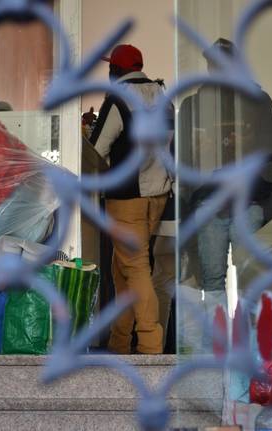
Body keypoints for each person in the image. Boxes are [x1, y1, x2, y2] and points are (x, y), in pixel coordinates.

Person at [179, 38, 272, 317]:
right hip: (215, 202)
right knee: (218, 282)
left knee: (245, 282)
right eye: (213, 63)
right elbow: (182, 157)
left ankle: (247, 344)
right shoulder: (198, 104)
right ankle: (231, 346)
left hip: (244, 201)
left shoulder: (254, 101)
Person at [90, 44, 172, 354]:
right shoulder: (163, 98)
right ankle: (119, 342)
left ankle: (151, 343)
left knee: (136, 267)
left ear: (117, 72)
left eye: (111, 69)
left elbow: (97, 149)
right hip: (157, 194)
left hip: (126, 198)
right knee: (121, 268)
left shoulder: (118, 99)